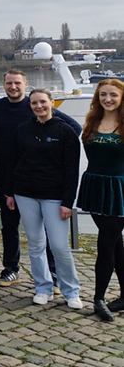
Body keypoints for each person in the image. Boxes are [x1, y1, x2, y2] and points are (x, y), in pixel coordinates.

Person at [0, 69, 81, 288]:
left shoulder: (35, 104)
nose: (13, 87)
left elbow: (74, 128)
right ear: (3, 84)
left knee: (47, 231)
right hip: (10, 177)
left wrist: (49, 150)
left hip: (41, 179)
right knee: (9, 225)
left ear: (25, 84)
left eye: (17, 83)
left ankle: (54, 272)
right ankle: (10, 269)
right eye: (9, 83)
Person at [4, 89, 82, 310]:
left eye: (43, 102)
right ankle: (43, 288)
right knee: (36, 243)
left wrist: (68, 202)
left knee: (59, 246)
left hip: (54, 197)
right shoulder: (23, 130)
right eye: (34, 103)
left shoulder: (65, 131)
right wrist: (9, 193)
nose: (39, 106)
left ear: (51, 103)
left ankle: (71, 290)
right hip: (25, 193)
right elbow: (12, 162)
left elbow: (71, 171)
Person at [78, 80, 124, 321]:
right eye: (103, 94)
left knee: (106, 244)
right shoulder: (92, 122)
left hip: (119, 189)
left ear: (121, 97)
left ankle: (98, 299)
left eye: (113, 95)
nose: (108, 99)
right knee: (117, 244)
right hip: (95, 187)